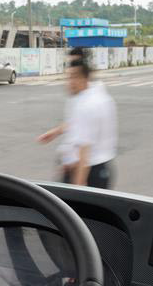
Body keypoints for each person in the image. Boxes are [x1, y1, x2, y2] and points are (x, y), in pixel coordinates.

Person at [36, 56, 117, 188]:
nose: (69, 82)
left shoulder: (86, 106)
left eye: (74, 77)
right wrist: (56, 132)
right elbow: (80, 124)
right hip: (102, 169)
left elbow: (84, 152)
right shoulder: (99, 95)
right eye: (68, 77)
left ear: (85, 78)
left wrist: (78, 187)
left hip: (86, 171)